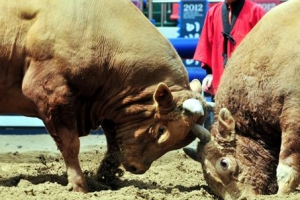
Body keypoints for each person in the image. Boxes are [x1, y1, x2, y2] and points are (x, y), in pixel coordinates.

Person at [193, 0, 265, 99]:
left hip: (248, 88)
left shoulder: (256, 12)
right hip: (219, 84)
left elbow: (265, 52)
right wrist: (210, 73)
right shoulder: (212, 13)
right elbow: (207, 46)